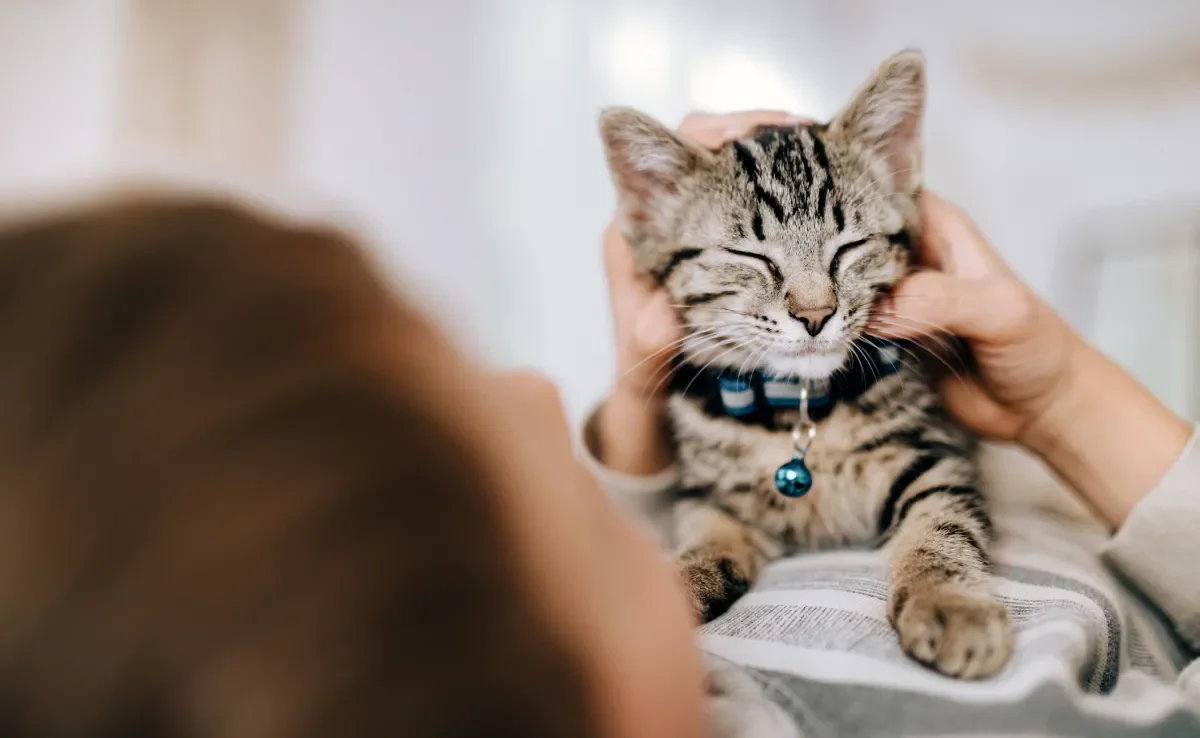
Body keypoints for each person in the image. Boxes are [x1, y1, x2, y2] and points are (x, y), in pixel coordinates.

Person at [0, 137, 1193, 738]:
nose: (535, 389)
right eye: (482, 422)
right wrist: (1071, 401)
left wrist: (636, 431)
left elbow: (637, 543)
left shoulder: (606, 657)